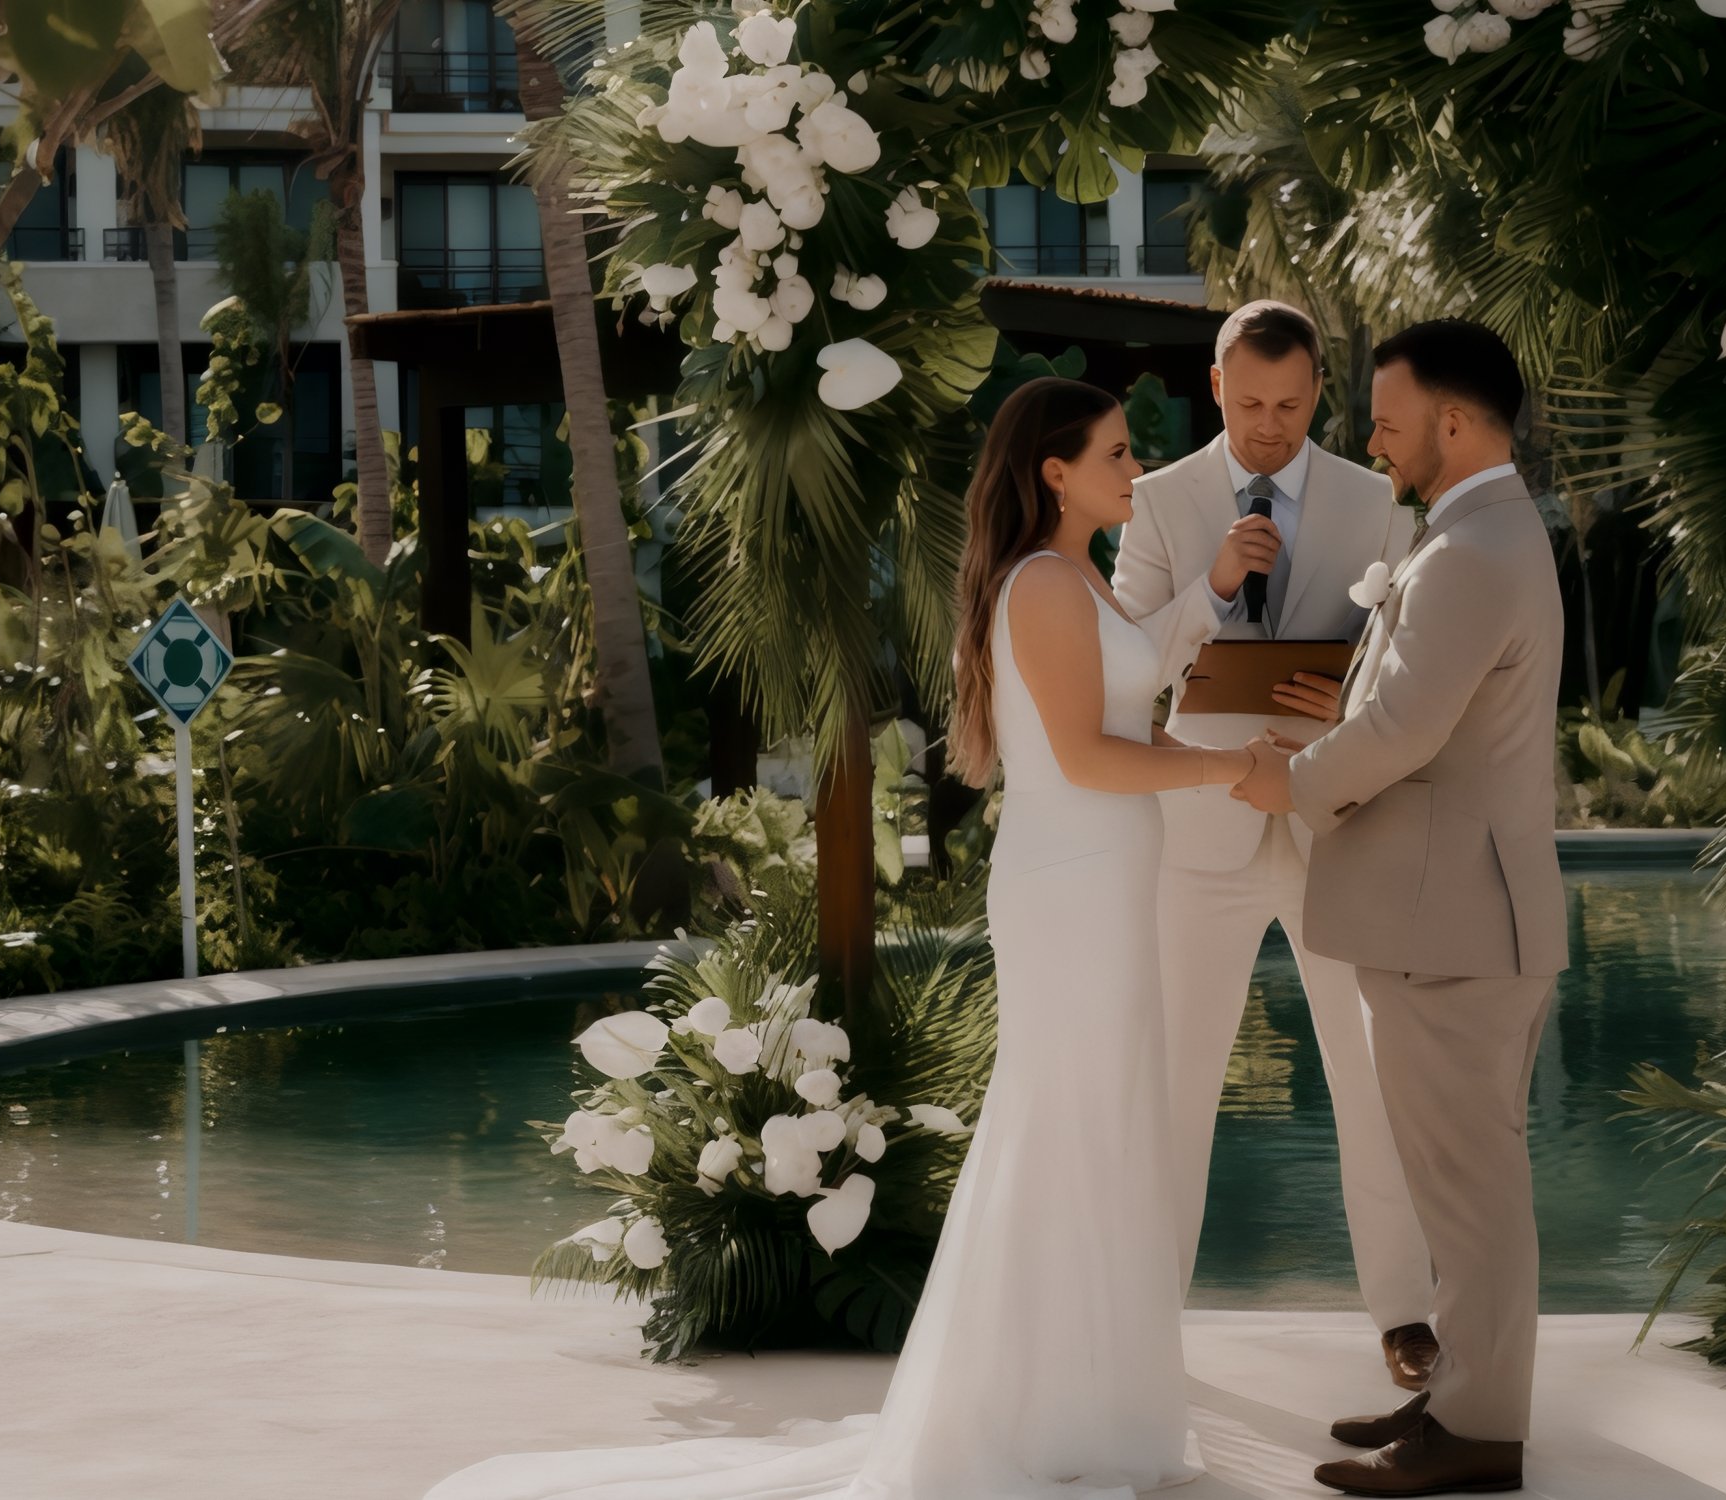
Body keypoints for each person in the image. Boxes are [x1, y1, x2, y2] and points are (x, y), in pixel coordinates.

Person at [422, 376, 1241, 1500]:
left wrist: (1204, 596)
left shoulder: (1076, 579)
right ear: (1053, 473)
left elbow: (1121, 692)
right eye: (1112, 453)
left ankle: (1084, 1406)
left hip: (1101, 883)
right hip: (1074, 888)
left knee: (1103, 1125)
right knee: (1070, 1127)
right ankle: (1042, 1414)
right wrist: (1230, 768)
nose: (1132, 469)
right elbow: (1095, 760)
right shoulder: (1046, 586)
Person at [1234, 318, 1566, 1497]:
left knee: (1469, 1192)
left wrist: (1296, 779)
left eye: (1387, 418)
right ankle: (1459, 1403)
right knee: (1459, 1185)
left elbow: (1408, 732)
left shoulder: (1472, 551)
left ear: (1457, 422)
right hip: (1458, 913)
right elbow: (1423, 712)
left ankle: (1475, 1435)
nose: (1370, 437)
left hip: (1453, 924)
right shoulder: (1476, 534)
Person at [1109, 299, 1437, 1392]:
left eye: (1291, 406)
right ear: (1215, 388)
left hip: (1333, 819)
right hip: (1195, 833)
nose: (1268, 425)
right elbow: (1125, 676)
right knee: (1178, 1082)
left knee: (1371, 1076)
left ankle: (1405, 1314)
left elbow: (1410, 663)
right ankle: (1148, 1322)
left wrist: (1344, 694)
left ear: (1316, 396)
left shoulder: (1375, 500)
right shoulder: (1155, 504)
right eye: (1249, 404)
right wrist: (1205, 586)